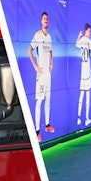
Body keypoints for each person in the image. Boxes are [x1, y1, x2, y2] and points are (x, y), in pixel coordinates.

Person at [28, 12, 55, 142]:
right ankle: (37, 131)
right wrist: (36, 67)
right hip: (40, 75)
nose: (46, 21)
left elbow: (50, 51)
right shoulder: (37, 35)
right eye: (44, 19)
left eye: (47, 19)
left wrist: (51, 64)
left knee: (48, 100)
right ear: (41, 21)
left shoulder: (49, 37)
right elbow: (29, 50)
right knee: (39, 101)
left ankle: (47, 125)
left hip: (48, 75)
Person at [76, 23, 91, 126]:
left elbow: (76, 45)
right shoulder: (88, 41)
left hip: (82, 70)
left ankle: (79, 117)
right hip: (87, 70)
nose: (90, 33)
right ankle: (86, 118)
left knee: (81, 94)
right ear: (87, 31)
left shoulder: (82, 40)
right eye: (89, 32)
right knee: (87, 94)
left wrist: (79, 36)